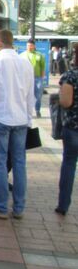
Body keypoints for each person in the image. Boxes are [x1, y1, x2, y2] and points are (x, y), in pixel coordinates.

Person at [0, 29, 34, 220]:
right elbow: (30, 93)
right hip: (20, 120)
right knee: (19, 163)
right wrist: (29, 118)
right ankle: (18, 207)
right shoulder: (25, 62)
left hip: (0, 118)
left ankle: (1, 207)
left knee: (0, 162)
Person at [56, 44, 78, 216]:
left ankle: (63, 204)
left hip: (73, 127)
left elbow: (66, 102)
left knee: (69, 164)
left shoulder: (70, 76)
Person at [20, 39, 45, 118]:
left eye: (31, 45)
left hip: (37, 78)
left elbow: (43, 67)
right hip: (26, 78)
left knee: (38, 95)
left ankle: (37, 110)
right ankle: (25, 110)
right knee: (25, 94)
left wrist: (42, 78)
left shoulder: (39, 55)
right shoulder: (22, 55)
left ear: (34, 46)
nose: (29, 47)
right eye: (28, 45)